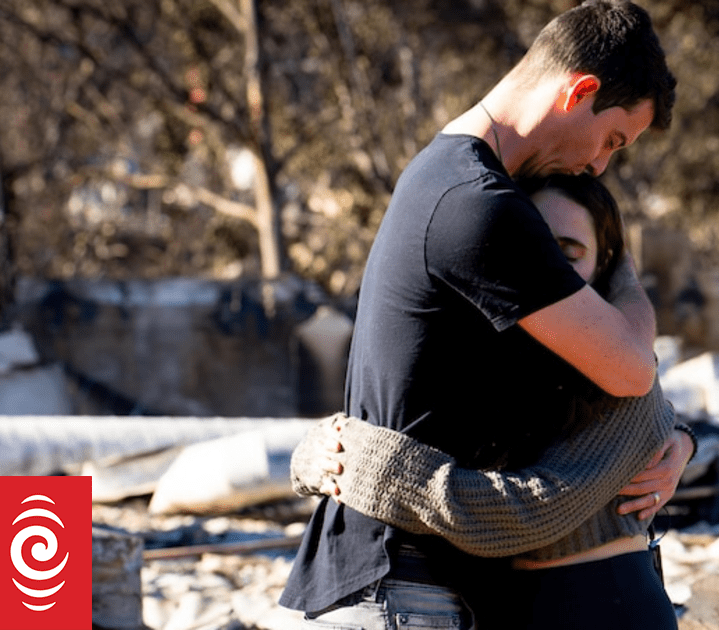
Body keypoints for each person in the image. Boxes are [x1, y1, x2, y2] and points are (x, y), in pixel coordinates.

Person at [278, 2, 680, 628]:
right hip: (398, 590)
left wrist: (676, 439)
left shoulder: (443, 179)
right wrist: (620, 258)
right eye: (612, 139)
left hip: (401, 587)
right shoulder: (480, 205)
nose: (601, 165)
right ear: (581, 91)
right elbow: (631, 369)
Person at [290, 174, 694, 629]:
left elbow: (531, 511)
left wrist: (368, 467)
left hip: (606, 606)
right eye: (536, 248)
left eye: (570, 252)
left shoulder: (622, 376)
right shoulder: (497, 360)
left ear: (604, 269)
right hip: (510, 610)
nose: (549, 270)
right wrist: (318, 454)